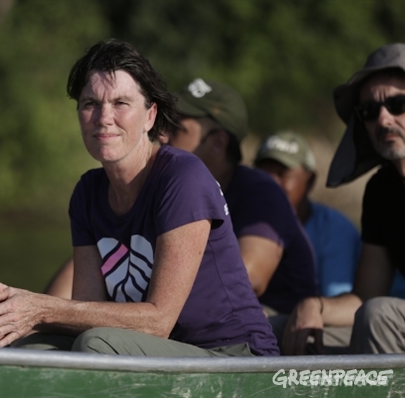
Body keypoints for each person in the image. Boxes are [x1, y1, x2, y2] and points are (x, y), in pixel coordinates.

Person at [0, 39, 279, 357]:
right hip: (156, 350)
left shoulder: (183, 178)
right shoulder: (87, 193)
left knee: (95, 345)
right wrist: (15, 319)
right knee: (31, 347)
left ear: (150, 116)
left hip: (231, 354)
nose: (103, 117)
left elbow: (159, 321)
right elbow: (86, 312)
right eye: (90, 104)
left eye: (121, 103)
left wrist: (42, 308)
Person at [283, 42, 405, 355]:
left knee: (379, 318)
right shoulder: (382, 191)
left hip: (388, 321)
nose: (383, 119)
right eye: (368, 111)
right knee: (283, 330)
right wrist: (315, 306)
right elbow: (365, 297)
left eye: (397, 104)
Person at [166, 78, 317, 316]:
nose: (162, 136)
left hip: (277, 331)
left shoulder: (261, 192)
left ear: (217, 143)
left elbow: (249, 280)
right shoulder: (171, 190)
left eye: (176, 129)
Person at [254, 131, 361, 297]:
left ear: (310, 181)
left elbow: (335, 300)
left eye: (283, 174)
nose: (270, 182)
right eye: (262, 173)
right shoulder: (240, 221)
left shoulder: (335, 229)